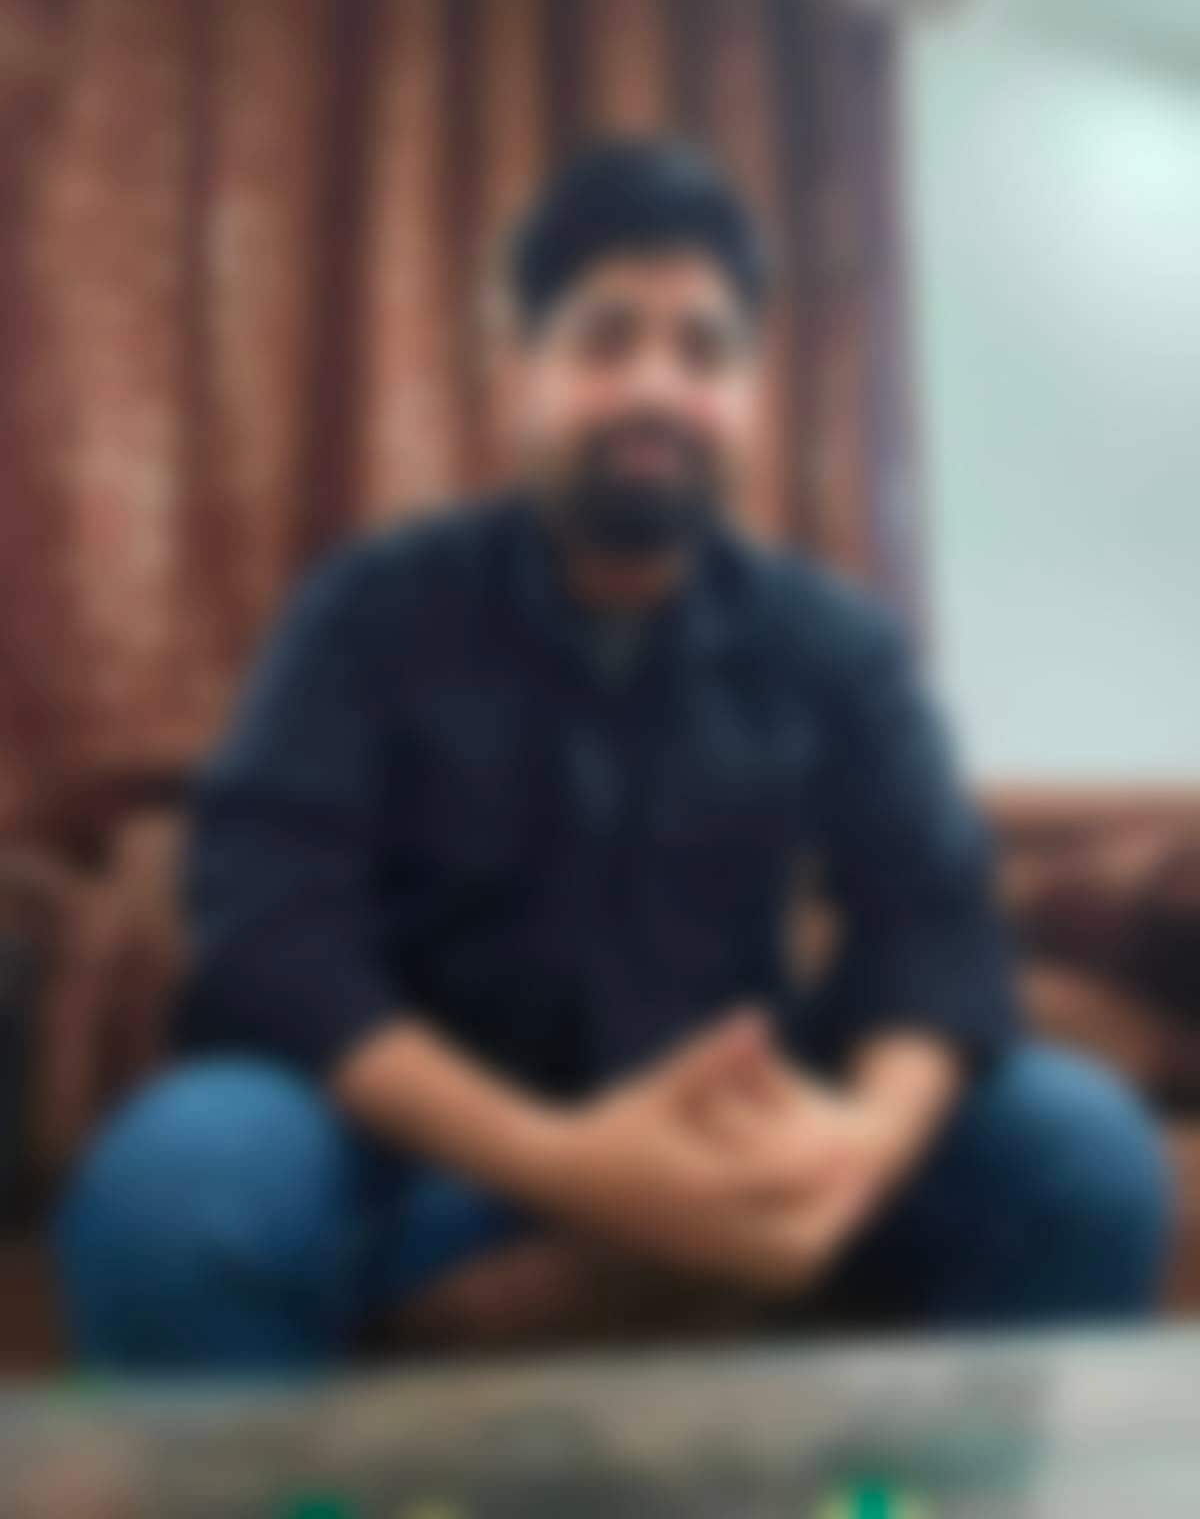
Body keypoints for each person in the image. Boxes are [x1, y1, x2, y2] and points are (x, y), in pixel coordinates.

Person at [57, 139, 1170, 1370]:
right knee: (177, 1187)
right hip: (415, 1147)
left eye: (704, 350)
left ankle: (924, 1479)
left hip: (737, 1134)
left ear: (751, 396)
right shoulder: (366, 611)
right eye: (605, 339)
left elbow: (936, 927)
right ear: (518, 376)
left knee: (1080, 1148)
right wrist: (561, 1159)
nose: (656, 386)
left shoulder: (837, 643)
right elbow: (272, 934)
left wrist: (854, 1154)